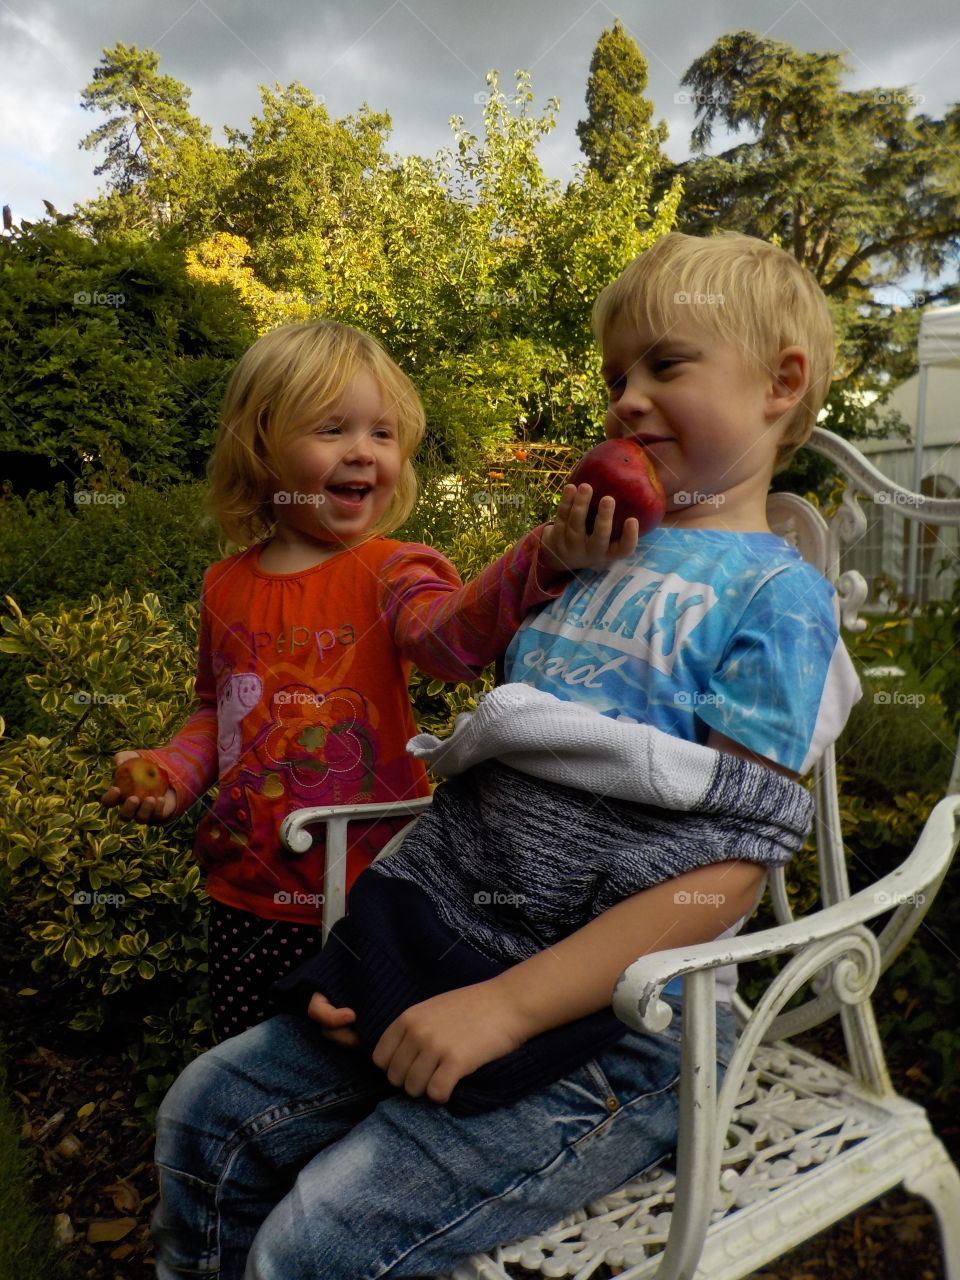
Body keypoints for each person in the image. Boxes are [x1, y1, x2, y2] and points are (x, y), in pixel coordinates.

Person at [151, 232, 862, 1280]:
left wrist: (507, 1005)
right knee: (203, 1114)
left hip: (620, 1026)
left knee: (319, 1235)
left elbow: (728, 867)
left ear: (780, 384)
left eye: (664, 366)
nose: (624, 398)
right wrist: (379, 957)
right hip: (448, 951)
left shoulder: (777, 597)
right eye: (618, 375)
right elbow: (492, 791)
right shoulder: (592, 565)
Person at [101, 320, 626, 1043]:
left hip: (369, 891)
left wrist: (548, 554)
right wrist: (168, 774)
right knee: (251, 1059)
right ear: (260, 447)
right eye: (331, 428)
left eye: (383, 434)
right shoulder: (224, 585)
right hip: (244, 894)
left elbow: (450, 641)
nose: (363, 452)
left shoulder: (390, 569)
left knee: (358, 1064)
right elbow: (212, 714)